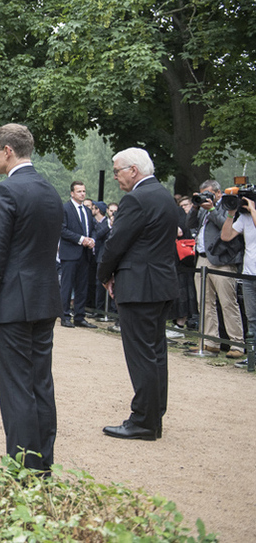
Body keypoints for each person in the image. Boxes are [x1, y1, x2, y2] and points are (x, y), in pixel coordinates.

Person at [0, 124, 62, 473]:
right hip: (43, 298)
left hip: (12, 303)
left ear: (8, 150)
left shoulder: (5, 192)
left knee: (16, 389)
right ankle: (44, 460)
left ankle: (25, 465)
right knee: (41, 382)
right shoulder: (50, 191)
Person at [97, 148, 180, 441]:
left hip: (139, 285)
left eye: (117, 170)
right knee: (155, 352)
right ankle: (153, 414)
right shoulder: (163, 196)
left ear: (133, 170)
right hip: (160, 283)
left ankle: (144, 419)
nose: (116, 176)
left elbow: (116, 242)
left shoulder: (136, 199)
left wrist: (104, 274)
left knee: (141, 354)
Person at [186, 180, 245, 358]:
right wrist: (195, 207)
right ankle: (210, 342)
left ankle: (237, 344)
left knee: (228, 302)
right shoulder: (202, 207)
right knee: (204, 302)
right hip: (202, 259)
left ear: (218, 193)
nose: (205, 197)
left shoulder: (229, 205)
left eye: (209, 193)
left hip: (222, 261)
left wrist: (212, 209)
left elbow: (227, 228)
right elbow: (189, 224)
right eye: (202, 194)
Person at [220, 195, 256, 367]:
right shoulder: (245, 218)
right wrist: (231, 213)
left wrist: (253, 209)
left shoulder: (252, 215)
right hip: (248, 274)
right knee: (251, 317)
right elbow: (226, 236)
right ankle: (252, 356)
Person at [59, 181, 97, 328]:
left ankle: (80, 316)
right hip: (70, 253)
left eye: (84, 191)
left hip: (85, 254)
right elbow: (62, 230)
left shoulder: (87, 211)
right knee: (67, 286)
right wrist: (81, 240)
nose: (82, 194)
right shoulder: (65, 209)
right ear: (72, 193)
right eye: (79, 191)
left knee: (82, 286)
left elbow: (92, 228)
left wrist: (92, 239)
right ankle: (65, 315)